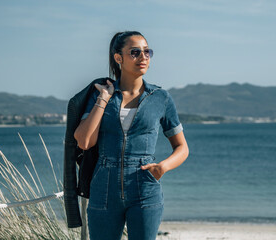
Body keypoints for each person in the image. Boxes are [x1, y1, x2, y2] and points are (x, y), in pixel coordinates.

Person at [73, 31, 189, 240]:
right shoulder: (100, 93)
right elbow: (84, 141)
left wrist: (162, 167)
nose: (143, 57)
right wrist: (104, 98)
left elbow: (182, 147)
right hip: (104, 186)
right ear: (119, 58)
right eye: (135, 52)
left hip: (145, 185)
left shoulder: (160, 98)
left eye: (147, 52)